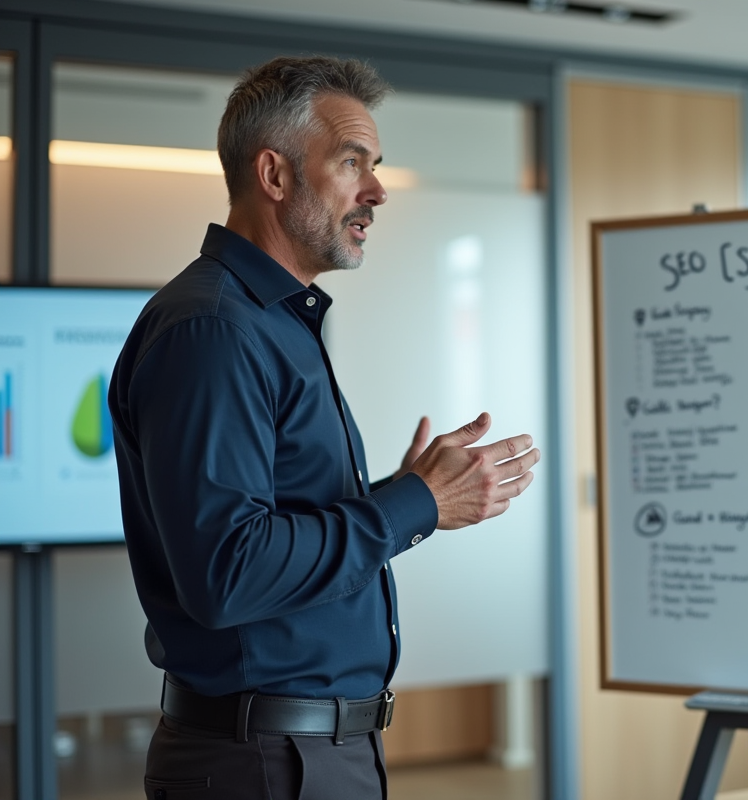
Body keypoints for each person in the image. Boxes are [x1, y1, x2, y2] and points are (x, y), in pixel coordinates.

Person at [108, 55, 539, 800]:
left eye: (375, 166)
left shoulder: (273, 323)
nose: (376, 191)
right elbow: (229, 572)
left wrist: (412, 497)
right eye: (351, 163)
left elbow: (273, 524)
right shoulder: (215, 330)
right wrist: (412, 506)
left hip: (310, 753)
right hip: (264, 765)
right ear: (273, 176)